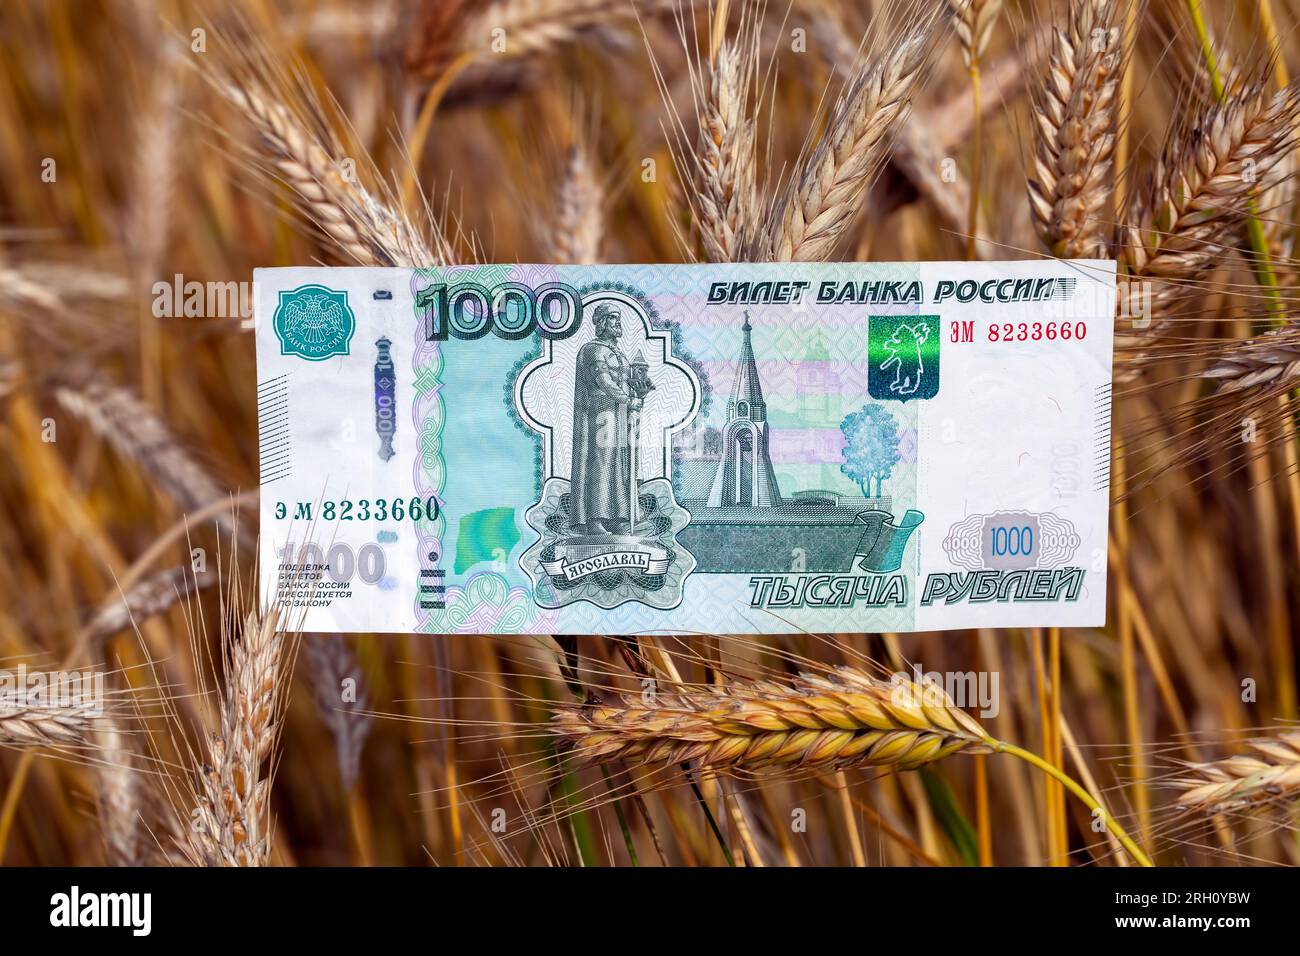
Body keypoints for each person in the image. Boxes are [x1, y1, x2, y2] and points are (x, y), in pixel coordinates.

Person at [570, 304, 643, 535]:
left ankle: (619, 516)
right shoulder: (594, 350)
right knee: (602, 462)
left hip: (619, 412)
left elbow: (628, 382)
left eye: (617, 318)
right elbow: (604, 382)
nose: (616, 323)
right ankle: (595, 519)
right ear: (601, 322)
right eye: (612, 318)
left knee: (620, 462)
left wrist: (637, 396)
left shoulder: (619, 353)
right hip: (600, 410)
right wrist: (629, 400)